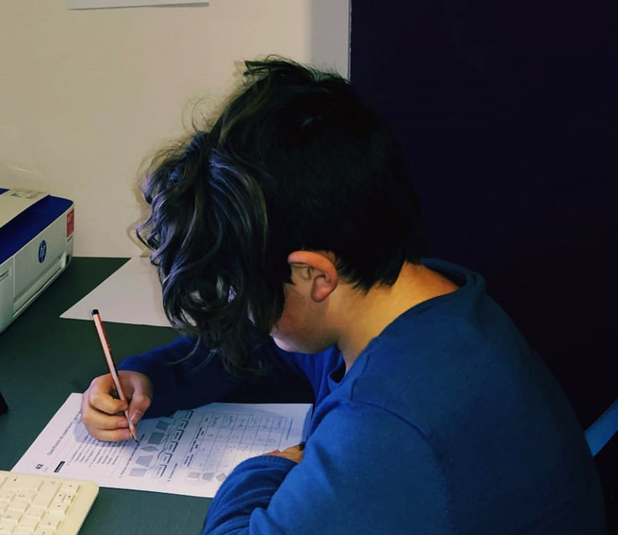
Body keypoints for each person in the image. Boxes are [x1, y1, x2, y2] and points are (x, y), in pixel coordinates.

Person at [81, 58, 605, 534]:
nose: (246, 310)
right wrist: (153, 379)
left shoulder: (391, 423)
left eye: (245, 289)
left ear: (314, 275)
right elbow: (273, 350)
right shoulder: (418, 303)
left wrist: (276, 465)